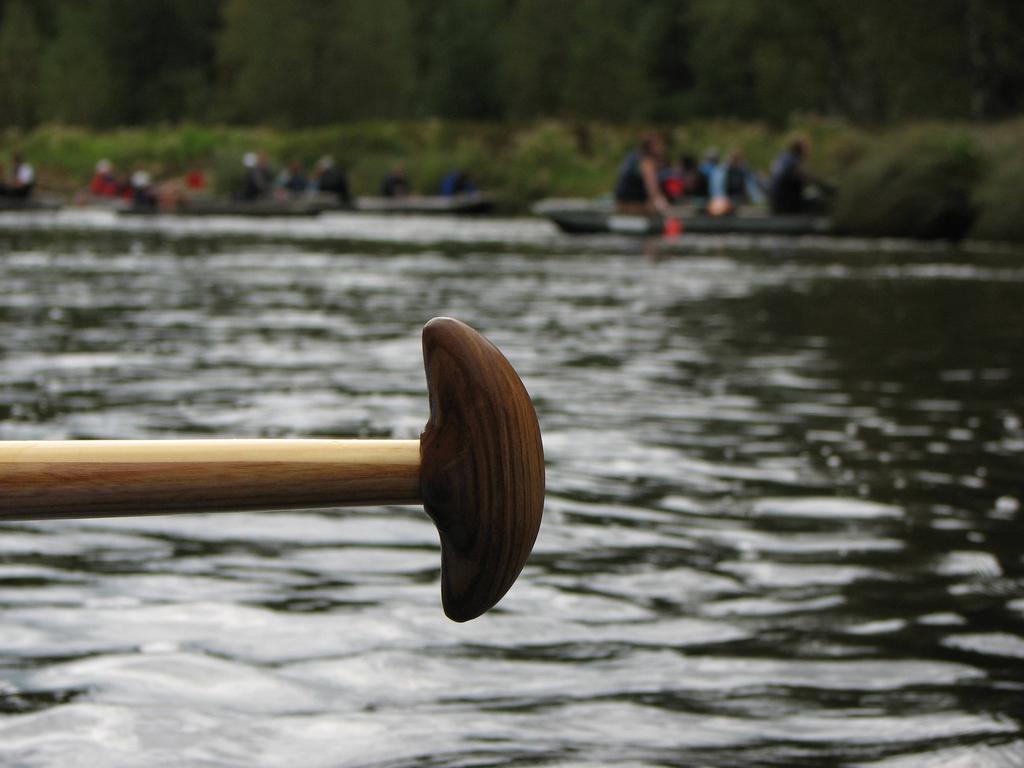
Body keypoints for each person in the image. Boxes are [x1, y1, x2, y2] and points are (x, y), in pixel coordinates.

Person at [613, 133, 668, 214]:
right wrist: (662, 205)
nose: (662, 148)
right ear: (652, 146)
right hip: (631, 204)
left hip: (623, 201)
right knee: (656, 208)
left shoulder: (634, 155)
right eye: (660, 145)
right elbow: (652, 188)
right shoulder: (646, 162)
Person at [769, 138, 820, 214]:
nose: (809, 151)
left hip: (775, 203)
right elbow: (808, 178)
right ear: (801, 149)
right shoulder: (794, 162)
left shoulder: (784, 157)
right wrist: (826, 187)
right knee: (816, 201)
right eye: (807, 148)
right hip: (785, 205)